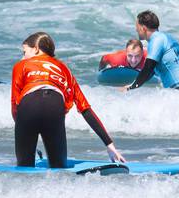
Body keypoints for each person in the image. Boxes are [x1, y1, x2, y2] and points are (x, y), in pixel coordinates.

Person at [10, 31, 125, 168]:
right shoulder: (65, 69)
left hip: (28, 107)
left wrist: (24, 136)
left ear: (35, 49)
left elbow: (15, 105)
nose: (23, 57)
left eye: (24, 52)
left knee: (24, 169)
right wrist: (109, 144)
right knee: (59, 169)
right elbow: (85, 109)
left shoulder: (21, 65)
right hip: (54, 107)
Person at [125, 11, 179, 90]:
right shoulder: (167, 38)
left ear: (143, 28)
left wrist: (130, 88)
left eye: (137, 27)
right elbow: (150, 73)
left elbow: (147, 69)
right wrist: (133, 83)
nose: (136, 29)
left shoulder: (156, 40)